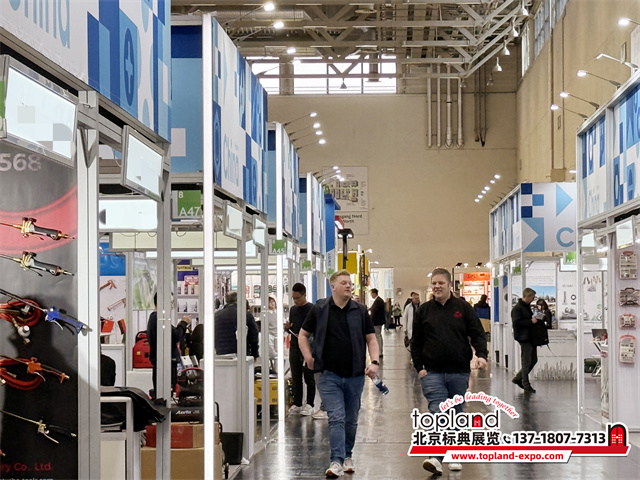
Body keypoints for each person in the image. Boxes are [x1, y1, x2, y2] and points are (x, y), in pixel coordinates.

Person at [299, 269, 379, 478]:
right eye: (343, 283)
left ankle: (347, 455)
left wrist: (375, 362)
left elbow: (371, 338)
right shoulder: (320, 309)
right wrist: (308, 356)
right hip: (328, 374)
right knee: (336, 417)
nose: (348, 286)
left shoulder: (360, 310)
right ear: (332, 287)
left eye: (349, 283)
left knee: (351, 419)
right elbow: (303, 335)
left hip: (355, 374)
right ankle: (336, 460)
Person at [411, 268, 488, 475]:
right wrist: (419, 367)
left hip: (458, 372)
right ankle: (437, 458)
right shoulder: (424, 311)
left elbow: (477, 332)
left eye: (441, 283)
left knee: (455, 411)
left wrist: (481, 354)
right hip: (432, 372)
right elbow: (416, 341)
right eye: (434, 283)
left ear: (449, 285)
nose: (437, 286)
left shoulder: (463, 308)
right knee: (438, 411)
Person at [147, 293, 190, 398]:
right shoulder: (158, 318)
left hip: (164, 362)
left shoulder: (157, 318)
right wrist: (184, 323)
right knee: (166, 395)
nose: (171, 306)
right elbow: (175, 336)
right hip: (165, 363)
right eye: (170, 303)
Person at [284, 283, 316, 416]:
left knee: (309, 376)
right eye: (293, 298)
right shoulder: (293, 310)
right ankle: (297, 403)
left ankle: (310, 403)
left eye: (298, 298)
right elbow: (293, 325)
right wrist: (287, 327)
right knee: (296, 375)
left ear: (304, 295)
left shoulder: (312, 309)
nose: (296, 301)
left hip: (308, 346)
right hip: (294, 345)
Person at [214, 291, 259, 358]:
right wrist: (254, 353)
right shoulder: (245, 314)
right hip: (241, 353)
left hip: (221, 353)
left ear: (226, 300)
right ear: (238, 300)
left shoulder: (216, 316)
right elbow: (253, 334)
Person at [511, 288, 538, 393]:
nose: (533, 299)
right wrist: (530, 322)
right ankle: (525, 383)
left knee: (533, 359)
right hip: (523, 337)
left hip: (529, 336)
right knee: (527, 361)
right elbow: (516, 323)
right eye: (532, 297)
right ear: (527, 296)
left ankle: (519, 378)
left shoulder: (525, 307)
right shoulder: (517, 309)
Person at [369, 288, 386, 357]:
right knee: (378, 335)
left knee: (378, 336)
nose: (371, 295)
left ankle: (380, 351)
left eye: (371, 294)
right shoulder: (379, 300)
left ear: (374, 293)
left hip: (377, 321)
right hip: (378, 321)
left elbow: (374, 310)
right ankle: (379, 351)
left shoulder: (378, 301)